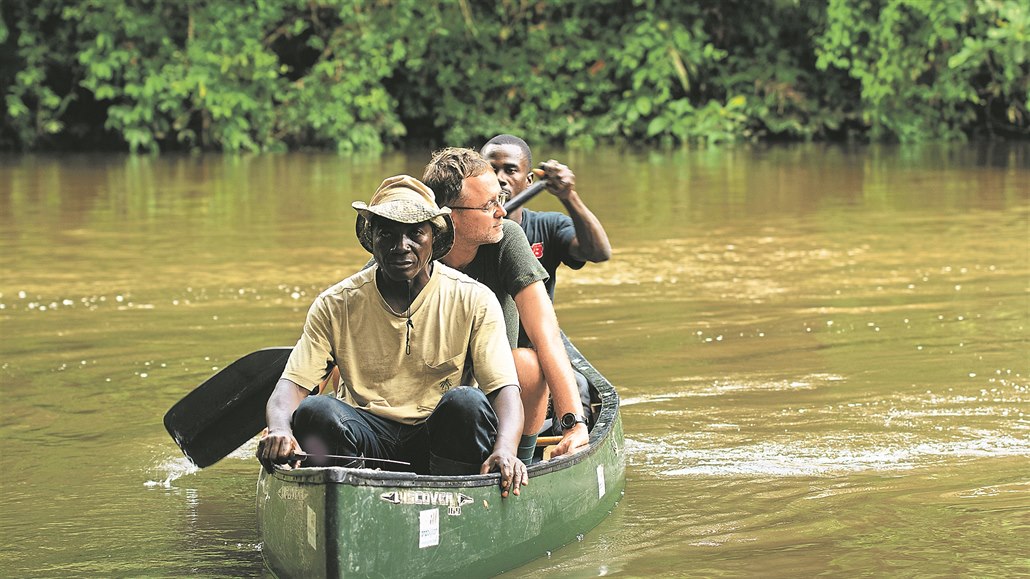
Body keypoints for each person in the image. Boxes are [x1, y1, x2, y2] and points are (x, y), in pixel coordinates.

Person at [256, 175, 527, 497]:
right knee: (316, 410)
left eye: (415, 234)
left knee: (466, 402)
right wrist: (280, 429)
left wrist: (507, 449)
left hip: (439, 439)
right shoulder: (336, 303)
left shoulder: (473, 299)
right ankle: (352, 501)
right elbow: (291, 386)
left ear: (433, 237)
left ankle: (452, 501)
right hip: (365, 435)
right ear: (372, 238)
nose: (401, 247)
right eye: (387, 234)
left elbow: (504, 392)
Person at [421, 148, 589, 462]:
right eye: (489, 205)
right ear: (448, 215)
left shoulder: (507, 238)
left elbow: (546, 335)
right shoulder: (411, 245)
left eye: (500, 200)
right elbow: (350, 311)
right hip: (428, 385)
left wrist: (574, 423)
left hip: (498, 389)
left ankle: (521, 461)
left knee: (528, 363)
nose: (502, 211)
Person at [480, 134, 611, 303]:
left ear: (528, 181)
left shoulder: (548, 226)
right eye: (492, 170)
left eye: (510, 170)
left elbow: (598, 253)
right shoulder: (463, 228)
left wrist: (568, 196)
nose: (500, 179)